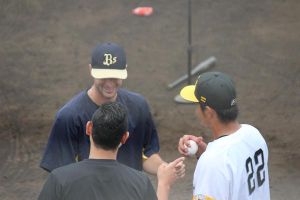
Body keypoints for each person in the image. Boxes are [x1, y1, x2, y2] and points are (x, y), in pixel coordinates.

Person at [40, 42, 168, 174]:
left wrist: (165, 169)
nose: (109, 82)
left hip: (128, 194)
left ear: (125, 69)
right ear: (90, 70)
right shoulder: (69, 117)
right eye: (103, 76)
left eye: (114, 76)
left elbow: (145, 156)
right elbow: (61, 175)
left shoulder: (138, 106)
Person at [38, 102, 185, 200]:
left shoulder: (59, 179)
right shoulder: (140, 183)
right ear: (124, 138)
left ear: (89, 128)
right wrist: (164, 184)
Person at [177, 72, 270, 200]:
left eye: (198, 104)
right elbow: (236, 175)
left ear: (209, 112)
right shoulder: (254, 134)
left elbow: (221, 166)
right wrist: (204, 152)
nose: (196, 110)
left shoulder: (213, 163)